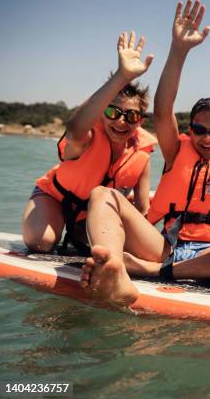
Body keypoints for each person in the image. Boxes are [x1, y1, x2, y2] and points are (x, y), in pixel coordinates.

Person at [79, 0, 210, 306]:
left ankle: (155, 272)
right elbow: (162, 111)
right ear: (190, 130)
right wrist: (179, 50)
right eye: (199, 129)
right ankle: (112, 268)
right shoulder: (176, 151)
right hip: (167, 246)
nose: (207, 138)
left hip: (209, 255)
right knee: (102, 194)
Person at [21, 32, 157, 255]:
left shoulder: (141, 152)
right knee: (41, 242)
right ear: (102, 113)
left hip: (93, 214)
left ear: (140, 120)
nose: (121, 121)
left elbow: (142, 208)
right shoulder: (87, 136)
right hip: (55, 198)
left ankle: (80, 236)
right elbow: (74, 130)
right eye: (113, 112)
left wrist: (139, 246)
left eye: (131, 116)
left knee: (105, 249)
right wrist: (122, 76)